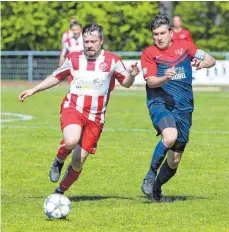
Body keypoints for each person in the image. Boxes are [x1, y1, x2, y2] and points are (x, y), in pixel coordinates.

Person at [19, 24, 140, 195]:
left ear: (101, 41)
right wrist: (33, 90)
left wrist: (132, 76)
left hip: (96, 117)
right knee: (71, 140)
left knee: (78, 161)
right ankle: (59, 159)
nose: (89, 45)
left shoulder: (113, 60)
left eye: (93, 41)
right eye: (86, 41)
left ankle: (59, 192)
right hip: (73, 107)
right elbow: (56, 77)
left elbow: (126, 84)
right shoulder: (73, 58)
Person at [141, 15, 215, 201]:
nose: (159, 37)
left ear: (170, 33)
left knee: (174, 161)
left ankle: (156, 188)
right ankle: (150, 175)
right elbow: (150, 82)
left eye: (162, 33)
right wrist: (164, 78)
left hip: (184, 108)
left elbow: (210, 59)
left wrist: (204, 63)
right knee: (170, 135)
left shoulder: (186, 47)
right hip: (160, 104)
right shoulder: (149, 53)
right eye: (155, 34)